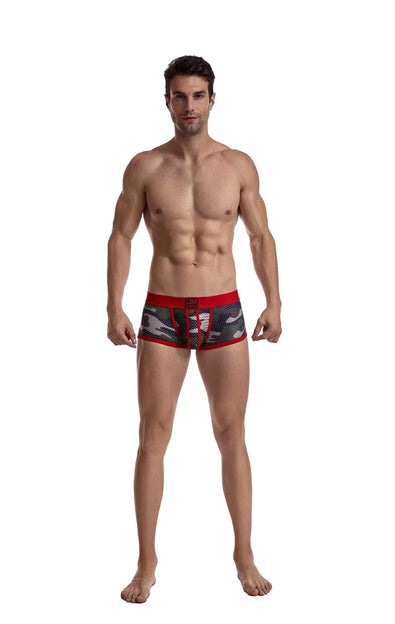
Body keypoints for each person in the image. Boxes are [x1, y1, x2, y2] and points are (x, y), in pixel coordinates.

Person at [107, 55, 282, 603]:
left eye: (198, 95)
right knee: (152, 436)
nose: (189, 106)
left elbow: (260, 237)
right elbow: (120, 236)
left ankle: (244, 555)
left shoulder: (237, 165)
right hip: (163, 313)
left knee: (232, 434)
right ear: (167, 101)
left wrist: (275, 302)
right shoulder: (145, 167)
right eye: (179, 96)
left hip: (224, 311)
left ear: (212, 99)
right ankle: (146, 562)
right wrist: (114, 307)